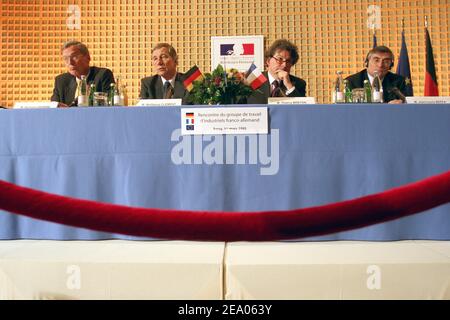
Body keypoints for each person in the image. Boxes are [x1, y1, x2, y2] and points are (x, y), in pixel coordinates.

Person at [51, 40, 115, 107]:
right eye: (66, 58)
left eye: (74, 57)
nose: (70, 62)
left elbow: (110, 104)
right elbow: (54, 106)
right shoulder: (61, 81)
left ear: (87, 57)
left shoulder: (103, 75)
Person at [247, 39, 306, 104]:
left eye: (288, 61)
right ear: (268, 61)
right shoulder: (253, 78)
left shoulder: (298, 83)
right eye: (280, 59)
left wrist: (289, 85)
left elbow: (301, 109)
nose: (284, 65)